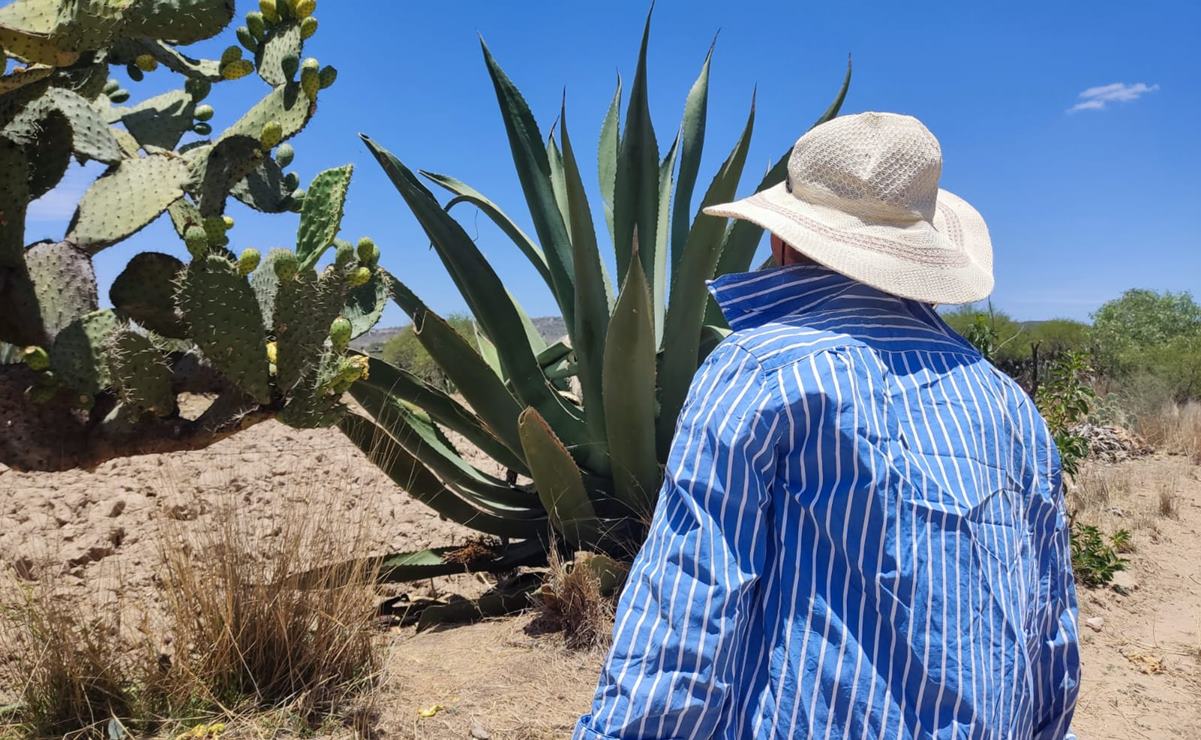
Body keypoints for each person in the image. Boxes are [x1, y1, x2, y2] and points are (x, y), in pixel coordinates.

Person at [574, 112, 1080, 739]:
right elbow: (1051, 628)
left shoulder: (758, 371)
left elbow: (688, 611)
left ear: (784, 242)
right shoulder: (1010, 405)